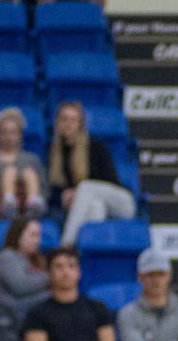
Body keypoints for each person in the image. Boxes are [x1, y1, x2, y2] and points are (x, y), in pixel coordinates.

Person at [47, 102, 134, 247]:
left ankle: (66, 244)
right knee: (95, 208)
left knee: (86, 187)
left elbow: (113, 182)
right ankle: (86, 253)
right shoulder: (53, 152)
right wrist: (64, 196)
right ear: (57, 123)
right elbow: (53, 192)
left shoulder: (96, 146)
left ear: (81, 124)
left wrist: (78, 193)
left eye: (73, 120)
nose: (68, 124)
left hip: (121, 202)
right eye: (64, 119)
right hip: (93, 205)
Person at [0, 107, 47, 220]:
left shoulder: (33, 160)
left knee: (29, 174)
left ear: (20, 135)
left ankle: (32, 210)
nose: (9, 137)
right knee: (9, 172)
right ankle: (9, 206)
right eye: (4, 132)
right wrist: (12, 186)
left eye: (13, 132)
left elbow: (44, 189)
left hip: (27, 201)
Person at [0, 216, 50, 321]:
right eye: (33, 235)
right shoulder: (7, 256)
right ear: (18, 236)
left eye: (39, 236)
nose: (37, 241)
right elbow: (21, 287)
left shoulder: (37, 259)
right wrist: (50, 277)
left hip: (32, 311)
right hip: (11, 313)